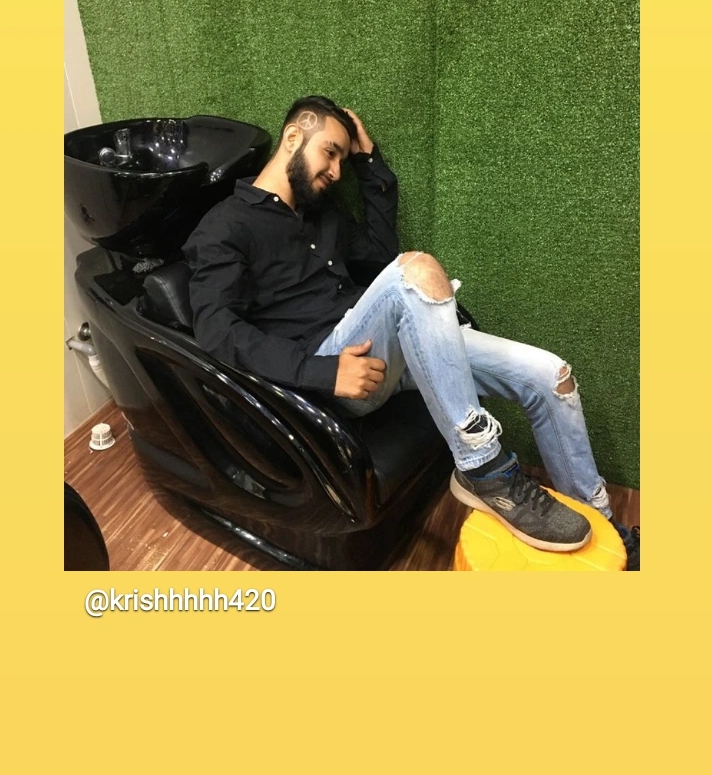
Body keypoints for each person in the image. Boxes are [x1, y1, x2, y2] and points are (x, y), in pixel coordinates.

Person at [184, 96, 639, 563]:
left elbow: (380, 253)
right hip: (332, 371)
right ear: (293, 137)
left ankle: (606, 533)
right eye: (330, 153)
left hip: (393, 350)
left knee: (551, 376)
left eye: (342, 161)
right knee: (416, 270)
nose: (336, 172)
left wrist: (369, 164)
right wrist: (324, 371)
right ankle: (484, 467)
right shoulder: (225, 225)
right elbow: (217, 330)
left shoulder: (324, 215)